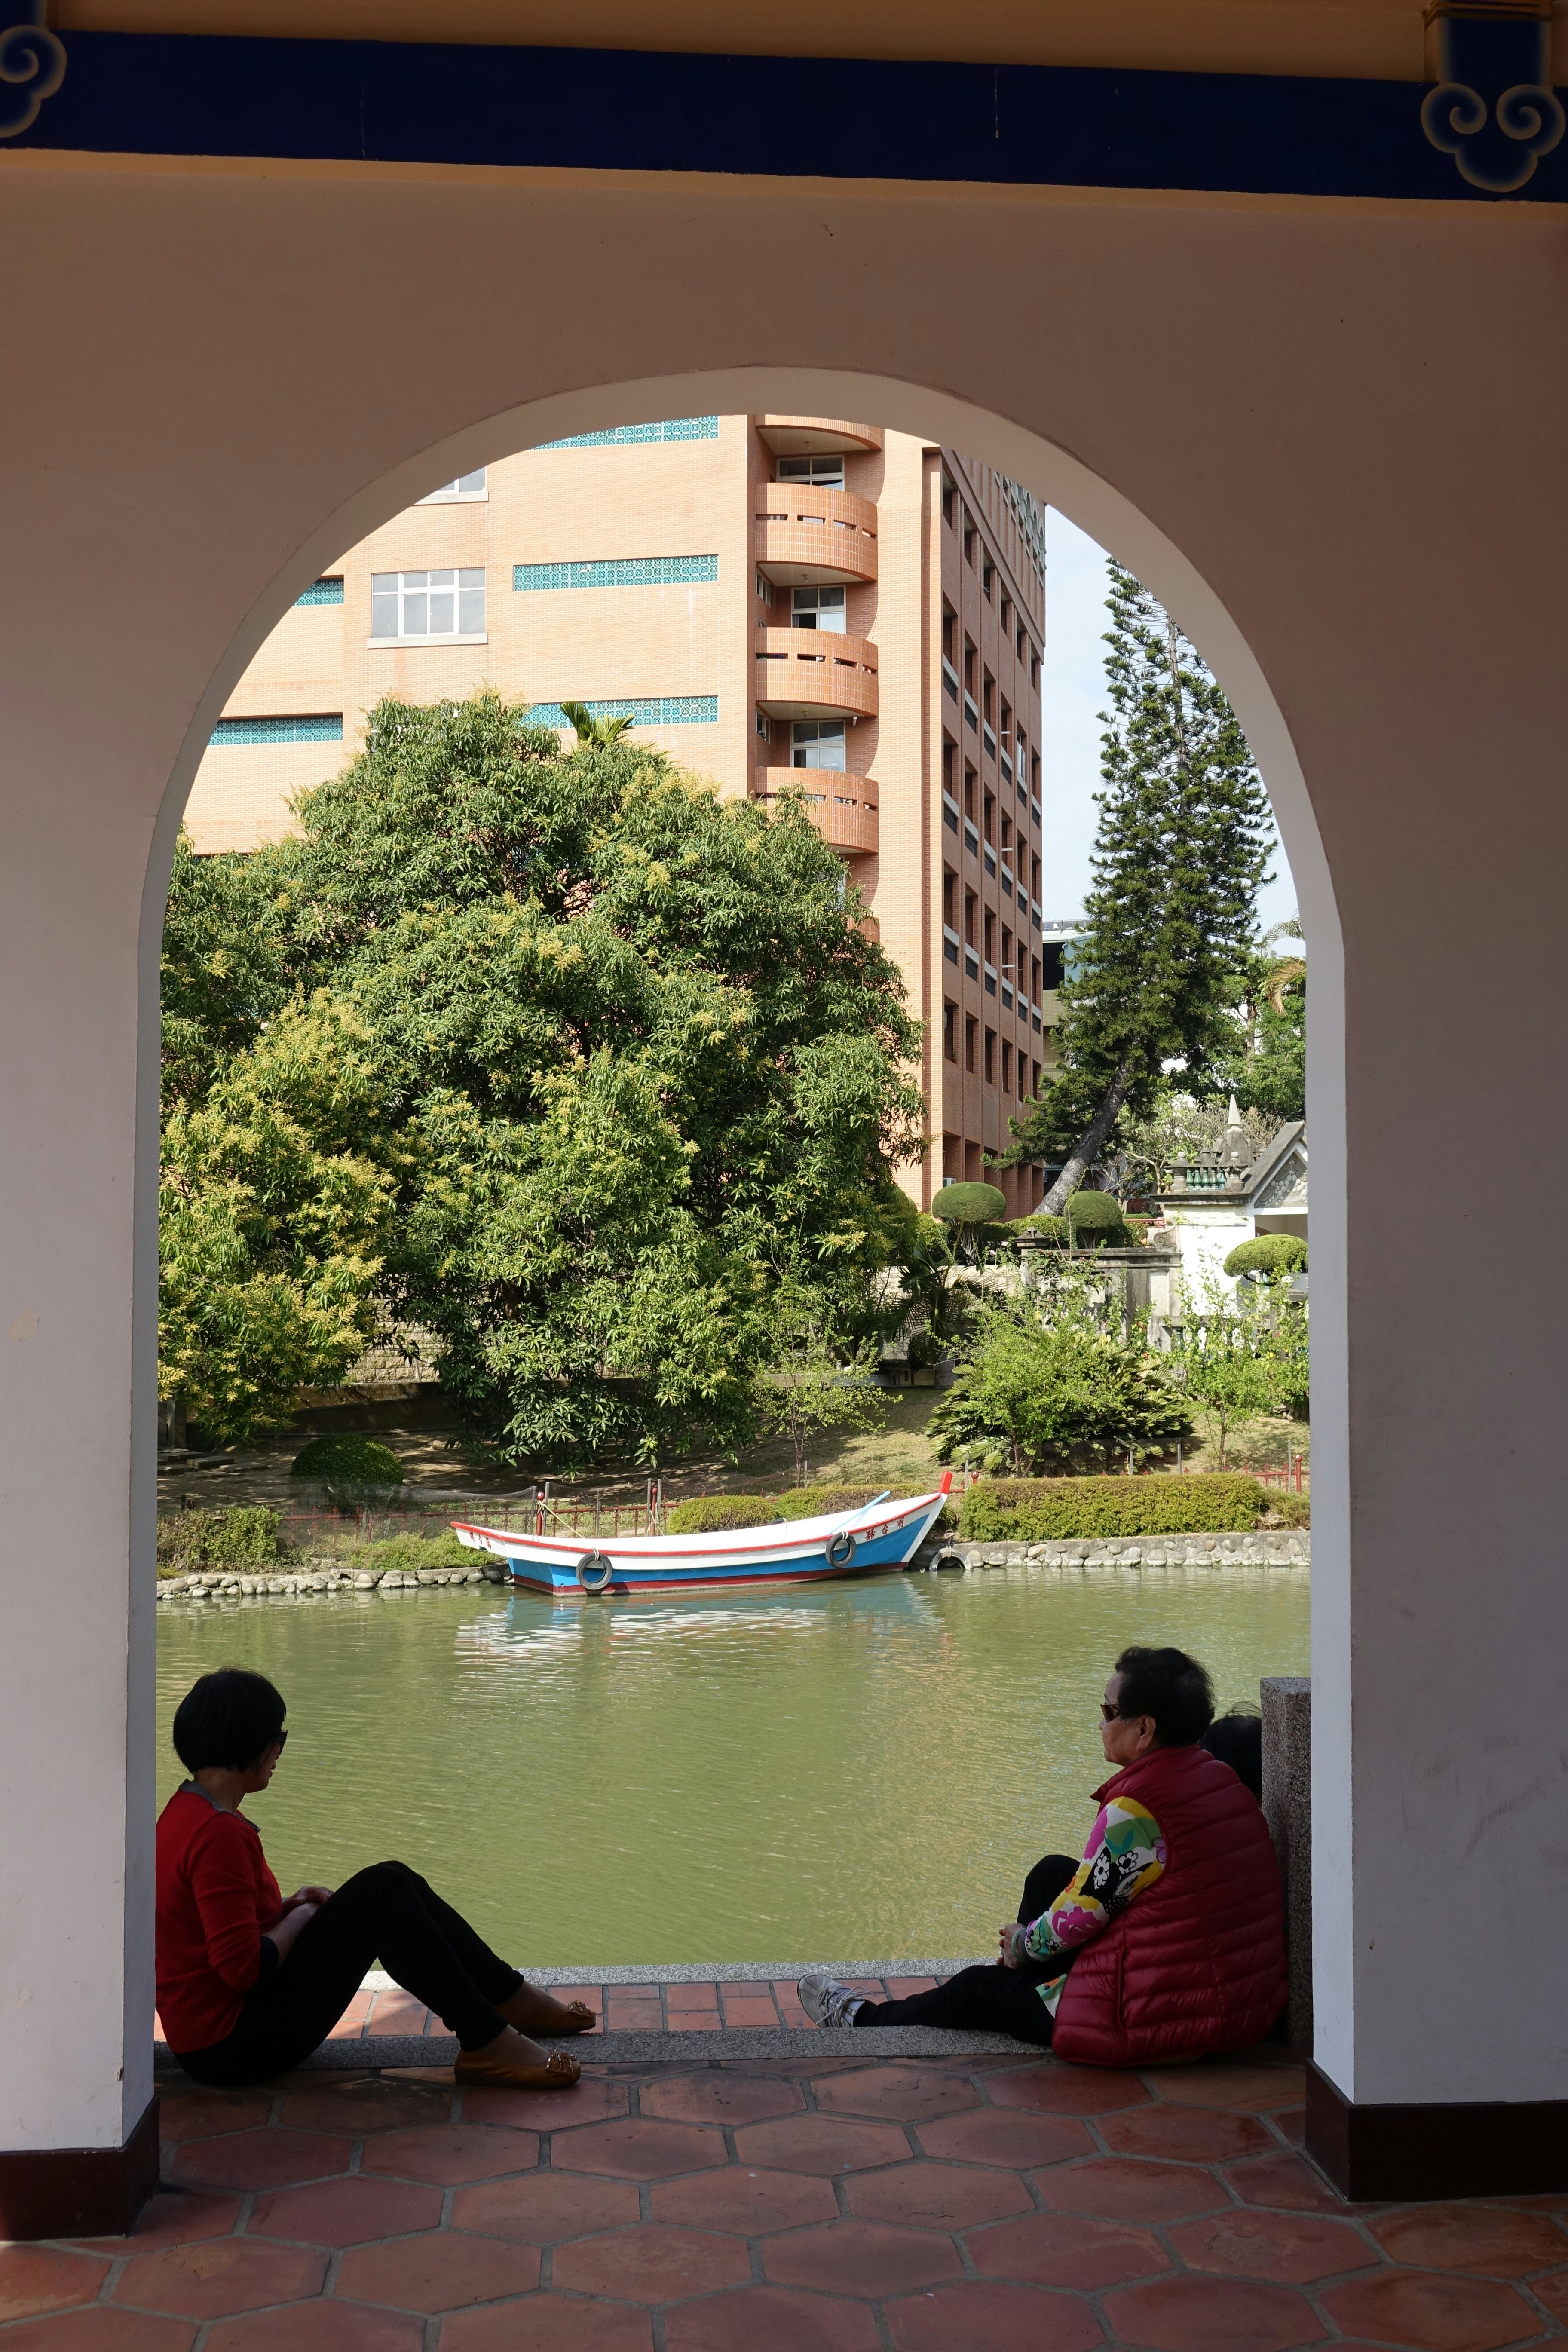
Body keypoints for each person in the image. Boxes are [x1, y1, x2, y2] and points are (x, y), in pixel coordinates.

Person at [800, 1645, 1286, 2064]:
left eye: (1109, 1711)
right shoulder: (1216, 1778)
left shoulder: (1140, 1810)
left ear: (1144, 1730)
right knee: (1051, 1874)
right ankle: (1028, 1992)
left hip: (1159, 2017)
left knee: (974, 1991)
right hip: (1222, 1995)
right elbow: (1101, 1891)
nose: (1100, 1722)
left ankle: (860, 2020)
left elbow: (1079, 1918)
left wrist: (1021, 1944)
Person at [156, 1667, 588, 2090]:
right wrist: (302, 1915)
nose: (279, 1753)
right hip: (234, 2048)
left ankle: (508, 1999)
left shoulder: (188, 1814)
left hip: (217, 2038)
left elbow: (213, 1932)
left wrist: (287, 1909)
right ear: (249, 1742)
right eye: (278, 1739)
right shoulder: (218, 1834)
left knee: (392, 1881)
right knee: (383, 1893)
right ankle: (488, 2037)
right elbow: (242, 1968)